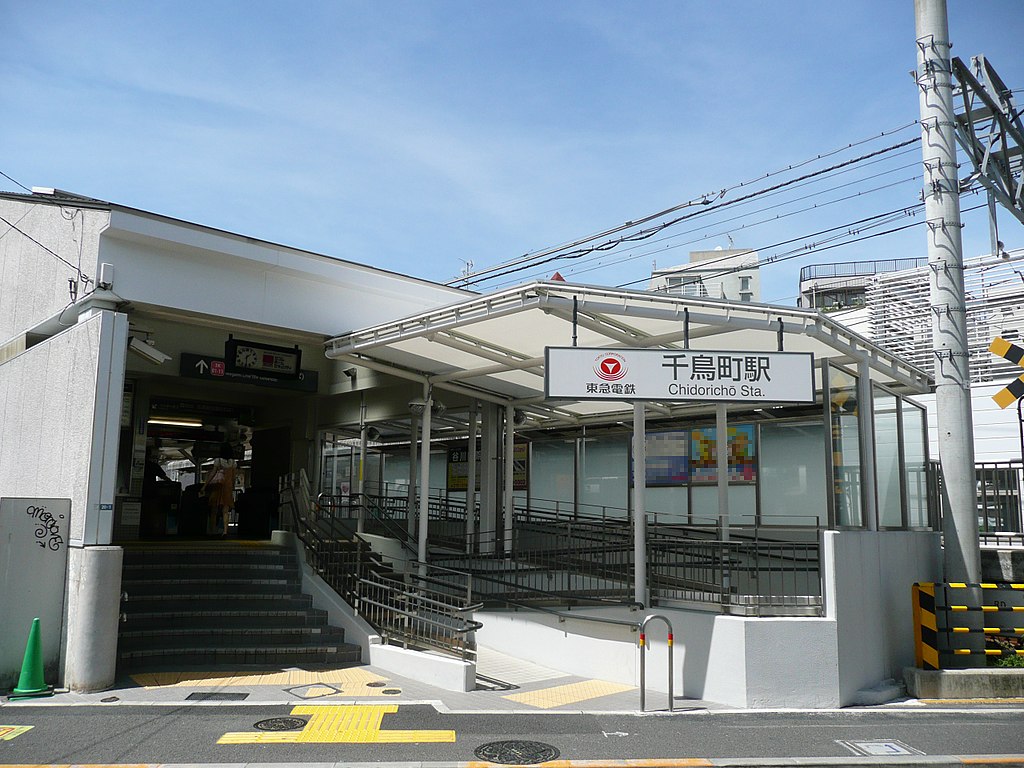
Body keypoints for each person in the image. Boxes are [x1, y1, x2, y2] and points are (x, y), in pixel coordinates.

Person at [202, 442, 237, 537]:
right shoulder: (233, 463)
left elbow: (213, 473)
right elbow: (234, 477)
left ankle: (212, 530)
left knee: (214, 509)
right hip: (228, 488)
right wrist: (232, 487)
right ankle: (225, 531)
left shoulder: (218, 461)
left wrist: (205, 485)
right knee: (225, 510)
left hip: (218, 486)